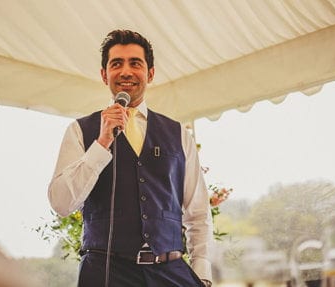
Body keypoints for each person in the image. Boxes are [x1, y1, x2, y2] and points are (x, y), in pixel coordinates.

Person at [48, 30, 213, 287]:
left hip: (171, 273)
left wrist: (202, 274)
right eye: (116, 64)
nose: (126, 72)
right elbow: (61, 203)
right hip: (105, 274)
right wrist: (102, 142)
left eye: (135, 63)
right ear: (104, 75)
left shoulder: (178, 133)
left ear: (150, 73)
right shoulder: (80, 131)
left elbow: (198, 211)